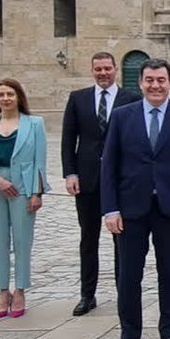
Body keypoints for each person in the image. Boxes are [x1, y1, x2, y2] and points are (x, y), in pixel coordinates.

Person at [100, 59, 170, 339]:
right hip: (131, 209)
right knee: (128, 276)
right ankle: (129, 337)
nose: (155, 85)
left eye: (161, 80)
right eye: (149, 80)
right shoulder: (122, 117)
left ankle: (169, 333)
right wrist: (110, 209)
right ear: (141, 83)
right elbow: (109, 166)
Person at [60, 51, 141, 317]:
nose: (103, 73)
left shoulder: (131, 99)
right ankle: (87, 294)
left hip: (121, 180)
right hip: (88, 179)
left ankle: (124, 292)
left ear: (115, 69)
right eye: (98, 69)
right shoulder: (78, 99)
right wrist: (70, 173)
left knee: (122, 238)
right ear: (92, 71)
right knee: (88, 237)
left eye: (107, 68)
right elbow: (68, 138)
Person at [0, 78, 50, 319]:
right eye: (1, 95)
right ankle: (3, 291)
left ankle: (20, 290)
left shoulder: (34, 124)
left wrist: (37, 192)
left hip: (23, 187)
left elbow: (39, 160)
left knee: (22, 240)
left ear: (19, 97)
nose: (5, 99)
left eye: (10, 94)